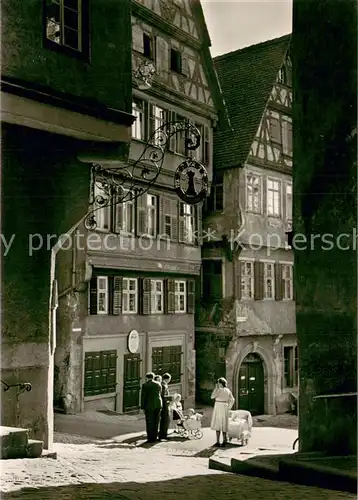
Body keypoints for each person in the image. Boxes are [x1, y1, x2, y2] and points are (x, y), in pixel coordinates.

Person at [210, 377, 235, 447]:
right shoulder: (228, 390)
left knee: (218, 424)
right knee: (224, 424)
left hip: (218, 406)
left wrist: (216, 388)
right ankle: (224, 441)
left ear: (220, 383)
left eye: (218, 383)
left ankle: (218, 441)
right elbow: (232, 399)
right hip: (225, 407)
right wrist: (229, 407)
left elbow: (212, 396)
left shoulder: (218, 390)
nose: (217, 384)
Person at [140, 372, 162, 443]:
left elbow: (143, 396)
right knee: (156, 421)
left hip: (149, 405)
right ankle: (155, 437)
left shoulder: (145, 385)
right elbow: (160, 393)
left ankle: (150, 438)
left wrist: (142, 407)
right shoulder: (158, 384)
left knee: (149, 421)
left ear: (147, 378)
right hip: (158, 404)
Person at [159, 372, 171, 439]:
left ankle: (163, 434)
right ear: (168, 379)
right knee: (165, 419)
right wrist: (170, 398)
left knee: (165, 419)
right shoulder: (163, 385)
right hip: (164, 404)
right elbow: (163, 396)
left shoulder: (164, 384)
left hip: (165, 403)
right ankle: (163, 434)